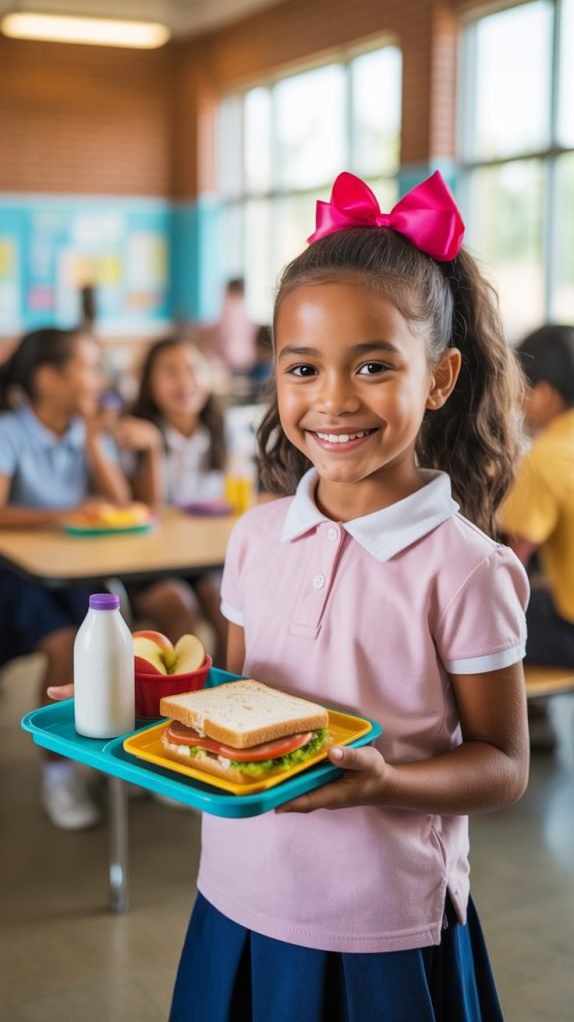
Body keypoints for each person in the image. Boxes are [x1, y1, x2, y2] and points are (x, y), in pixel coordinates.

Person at [51, 172, 530, 1021]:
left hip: (382, 920)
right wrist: (135, 702)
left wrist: (387, 780)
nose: (334, 400)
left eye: (375, 365)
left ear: (440, 377)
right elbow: (235, 700)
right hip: (236, 891)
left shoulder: (467, 567)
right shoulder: (255, 537)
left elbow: (503, 766)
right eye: (302, 367)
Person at [0, 326, 130, 830]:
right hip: (17, 573)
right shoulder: (10, 430)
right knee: (62, 648)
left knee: (116, 641)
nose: (99, 379)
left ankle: (108, 746)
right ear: (49, 378)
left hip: (75, 571)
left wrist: (96, 441)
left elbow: (120, 506)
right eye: (89, 367)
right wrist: (68, 513)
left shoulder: (83, 430)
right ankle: (58, 773)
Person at [116, 337, 228, 665]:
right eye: (170, 372)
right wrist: (152, 447)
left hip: (202, 559)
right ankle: (175, 701)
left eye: (193, 370)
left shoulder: (221, 430)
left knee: (226, 603)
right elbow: (145, 512)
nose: (185, 381)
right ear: (149, 385)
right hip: (147, 564)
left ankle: (223, 692)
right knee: (179, 607)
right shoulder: (136, 434)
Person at [499, 325, 574, 750]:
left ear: (544, 392)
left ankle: (514, 729)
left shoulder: (546, 458)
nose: (519, 404)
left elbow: (512, 566)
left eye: (523, 392)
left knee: (473, 619)